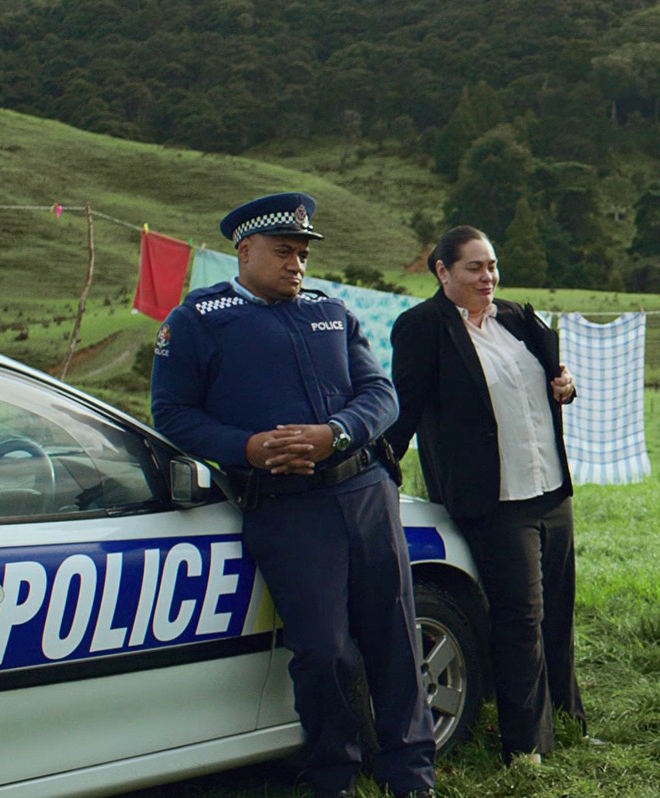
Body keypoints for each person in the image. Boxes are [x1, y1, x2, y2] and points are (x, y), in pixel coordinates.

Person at [150, 192, 437, 798]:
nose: (297, 264)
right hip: (288, 508)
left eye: (303, 253)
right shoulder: (198, 320)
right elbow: (172, 414)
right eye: (284, 251)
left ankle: (410, 772)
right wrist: (247, 447)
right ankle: (334, 772)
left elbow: (380, 393)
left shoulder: (330, 311)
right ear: (245, 249)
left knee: (393, 633)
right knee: (324, 649)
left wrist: (336, 432)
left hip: (364, 490)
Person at [383, 225, 587, 765]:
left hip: (549, 488)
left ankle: (567, 718)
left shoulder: (517, 318)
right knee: (520, 617)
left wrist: (565, 387)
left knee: (558, 613)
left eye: (492, 266)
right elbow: (404, 407)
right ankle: (526, 748)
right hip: (494, 500)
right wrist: (378, 470)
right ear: (443, 272)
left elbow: (552, 379)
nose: (487, 277)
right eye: (474, 268)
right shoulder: (423, 328)